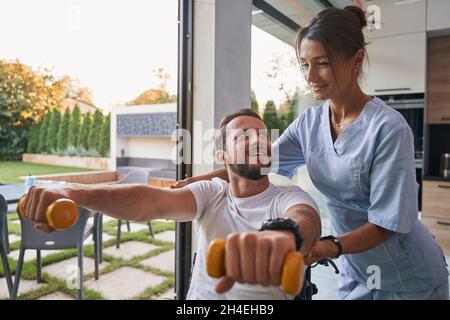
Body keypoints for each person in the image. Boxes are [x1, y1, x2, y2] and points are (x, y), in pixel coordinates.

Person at [171, 6, 449, 300]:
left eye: (322, 63)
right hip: (355, 269)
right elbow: (263, 162)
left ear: (357, 61)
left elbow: (387, 223)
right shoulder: (309, 123)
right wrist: (202, 180)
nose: (311, 76)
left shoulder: (388, 128)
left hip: (408, 276)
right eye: (304, 64)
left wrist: (328, 246)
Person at [22, 108, 321, 300]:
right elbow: (151, 201)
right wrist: (74, 192)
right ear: (223, 158)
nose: (258, 141)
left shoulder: (289, 196)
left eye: (262, 135)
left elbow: (304, 219)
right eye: (244, 136)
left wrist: (286, 236)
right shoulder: (212, 192)